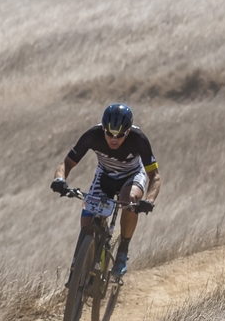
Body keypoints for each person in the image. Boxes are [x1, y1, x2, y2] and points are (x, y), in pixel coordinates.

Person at [50, 103, 159, 278]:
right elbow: (66, 163)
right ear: (103, 129)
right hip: (105, 176)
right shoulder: (93, 135)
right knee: (87, 222)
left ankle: (123, 250)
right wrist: (60, 179)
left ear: (128, 132)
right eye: (109, 134)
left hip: (132, 175)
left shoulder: (139, 139)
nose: (114, 139)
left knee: (129, 201)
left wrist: (150, 200)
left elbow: (155, 176)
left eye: (120, 135)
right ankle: (83, 265)